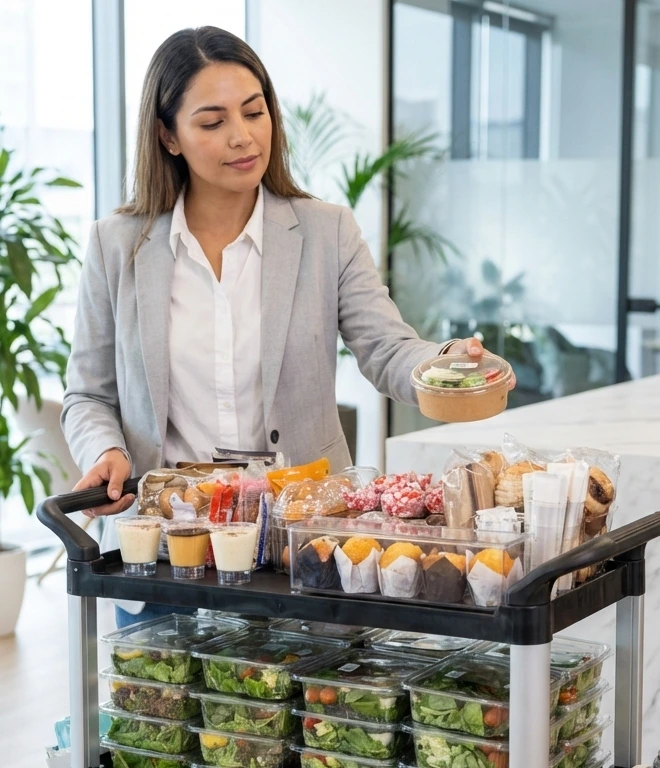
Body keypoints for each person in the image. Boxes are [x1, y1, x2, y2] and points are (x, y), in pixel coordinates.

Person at [62, 26, 515, 629]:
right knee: (163, 716)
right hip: (167, 554)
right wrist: (107, 449)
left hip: (303, 550)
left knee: (309, 719)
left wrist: (448, 365)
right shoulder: (117, 244)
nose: (242, 136)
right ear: (168, 135)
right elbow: (87, 394)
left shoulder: (325, 231)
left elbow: (386, 348)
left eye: (255, 112)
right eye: (212, 121)